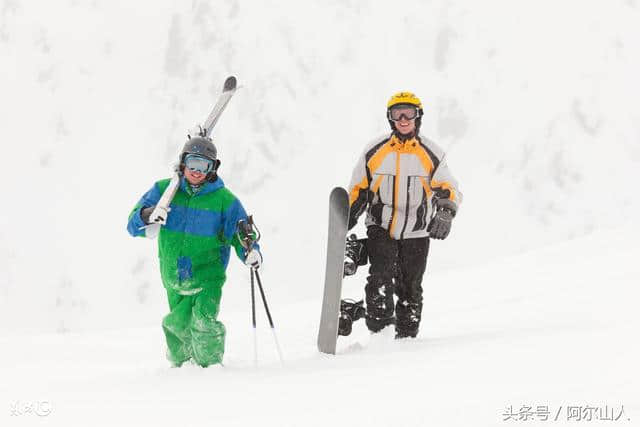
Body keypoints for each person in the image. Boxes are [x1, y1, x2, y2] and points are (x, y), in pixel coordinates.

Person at [127, 135, 262, 367]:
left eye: (204, 166)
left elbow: (241, 231)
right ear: (183, 163)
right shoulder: (164, 190)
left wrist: (250, 251)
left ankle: (210, 369)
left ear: (213, 168)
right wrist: (150, 214)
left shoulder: (223, 200)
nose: (197, 171)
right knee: (176, 324)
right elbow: (132, 224)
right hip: (173, 276)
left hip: (207, 275)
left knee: (204, 322)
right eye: (192, 164)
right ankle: (181, 369)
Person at [343, 92, 462, 339]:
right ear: (390, 119)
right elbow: (358, 188)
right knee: (380, 281)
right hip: (382, 226)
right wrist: (347, 216)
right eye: (398, 114)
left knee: (410, 292)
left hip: (417, 233)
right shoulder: (375, 151)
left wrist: (445, 211)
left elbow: (449, 187)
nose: (404, 118)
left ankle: (405, 346)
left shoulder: (431, 153)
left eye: (409, 112)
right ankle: (380, 338)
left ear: (418, 117)